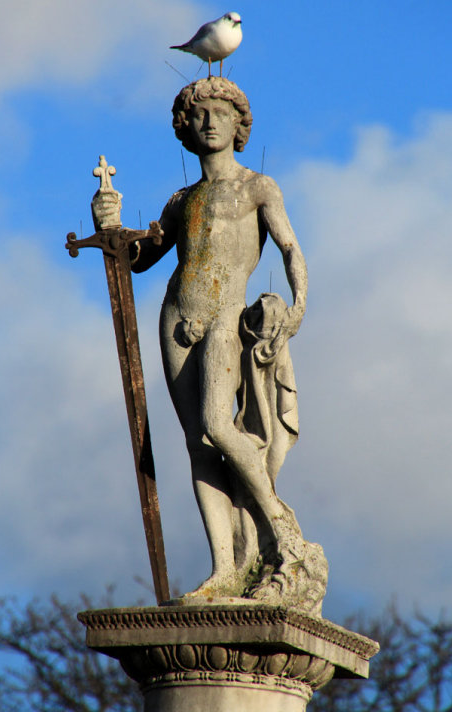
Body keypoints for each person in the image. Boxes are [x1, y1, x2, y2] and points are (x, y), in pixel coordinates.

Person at [131, 77, 320, 604]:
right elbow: (142, 259)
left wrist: (297, 305)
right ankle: (223, 569)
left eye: (220, 112)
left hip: (225, 318)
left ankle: (278, 522)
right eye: (199, 114)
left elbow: (290, 250)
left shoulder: (258, 186)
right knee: (197, 444)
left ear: (240, 126)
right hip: (177, 317)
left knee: (218, 423)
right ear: (184, 129)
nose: (210, 121)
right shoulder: (182, 199)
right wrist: (113, 229)